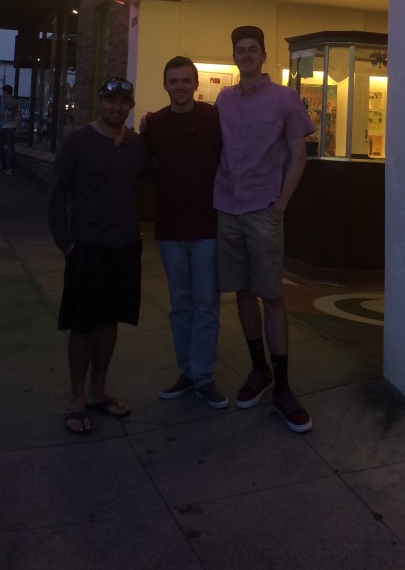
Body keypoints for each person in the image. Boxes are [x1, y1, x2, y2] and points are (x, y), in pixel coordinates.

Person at [214, 25, 315, 433]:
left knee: (272, 295)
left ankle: (284, 387)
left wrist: (280, 204)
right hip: (226, 206)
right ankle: (259, 370)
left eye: (253, 49)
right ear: (234, 55)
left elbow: (299, 155)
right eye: (240, 50)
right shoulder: (222, 99)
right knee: (241, 291)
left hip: (262, 209)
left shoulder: (284, 99)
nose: (246, 55)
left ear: (262, 53)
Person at [48, 77, 150, 435]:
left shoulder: (137, 145)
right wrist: (66, 244)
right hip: (87, 246)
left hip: (125, 247)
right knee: (83, 326)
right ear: (99, 101)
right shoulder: (77, 141)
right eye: (110, 100)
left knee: (110, 322)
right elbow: (56, 194)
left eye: (123, 101)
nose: (116, 107)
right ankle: (77, 398)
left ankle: (98, 391)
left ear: (131, 105)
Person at [142, 56, 227, 409]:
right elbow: (144, 171)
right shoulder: (154, 125)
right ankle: (188, 373)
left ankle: (203, 376)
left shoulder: (213, 118)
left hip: (207, 226)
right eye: (173, 81)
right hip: (171, 228)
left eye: (185, 80)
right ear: (165, 85)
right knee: (181, 305)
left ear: (195, 84)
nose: (179, 86)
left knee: (206, 305)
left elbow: (229, 161)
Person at [0, 84, 21, 175]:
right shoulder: (5, 101)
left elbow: (18, 115)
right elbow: (5, 114)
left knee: (10, 148)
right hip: (5, 127)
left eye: (3, 91)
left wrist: (17, 128)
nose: (2, 93)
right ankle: (4, 165)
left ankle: (11, 168)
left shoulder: (14, 102)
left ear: (6, 92)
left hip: (11, 127)